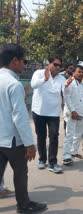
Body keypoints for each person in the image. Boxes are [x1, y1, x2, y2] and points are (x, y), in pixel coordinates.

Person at [0, 43, 47, 213]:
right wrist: (29, 144)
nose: (24, 64)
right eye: (23, 61)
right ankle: (23, 205)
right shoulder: (14, 84)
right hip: (13, 140)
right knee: (20, 172)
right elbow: (19, 117)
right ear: (14, 61)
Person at [31, 56, 65, 173]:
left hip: (54, 113)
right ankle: (42, 160)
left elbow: (65, 93)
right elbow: (33, 85)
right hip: (39, 111)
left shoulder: (61, 79)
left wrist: (69, 87)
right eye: (55, 64)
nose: (58, 67)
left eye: (60, 66)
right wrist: (44, 80)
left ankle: (53, 162)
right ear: (49, 64)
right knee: (41, 136)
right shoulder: (39, 73)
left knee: (54, 136)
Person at [62, 65, 83, 165]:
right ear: (73, 73)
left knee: (78, 134)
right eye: (79, 72)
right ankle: (66, 156)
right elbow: (66, 97)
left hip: (82, 113)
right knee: (69, 135)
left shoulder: (82, 85)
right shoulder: (69, 83)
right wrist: (73, 111)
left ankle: (74, 152)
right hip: (72, 113)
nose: (81, 74)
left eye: (82, 72)